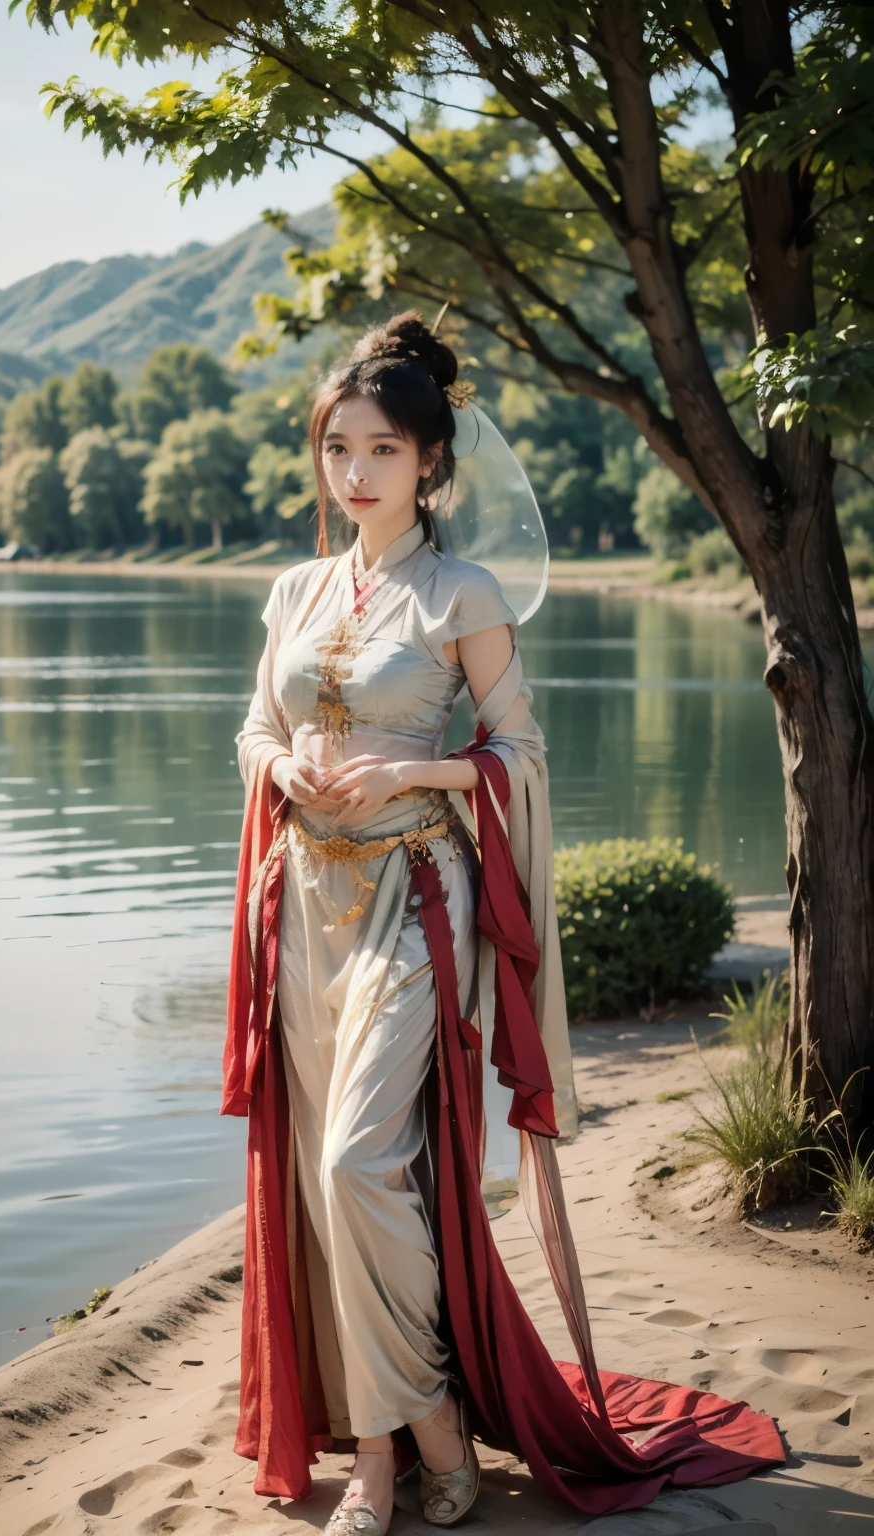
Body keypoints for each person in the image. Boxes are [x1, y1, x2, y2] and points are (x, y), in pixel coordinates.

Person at [222, 313, 783, 1535]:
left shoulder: (460, 591)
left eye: (380, 449)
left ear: (430, 461)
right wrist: (283, 773)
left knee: (356, 1164)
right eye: (337, 448)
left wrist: (408, 775)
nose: (353, 471)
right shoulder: (295, 587)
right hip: (303, 907)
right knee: (328, 1190)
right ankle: (379, 1452)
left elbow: (518, 751)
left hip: (415, 902)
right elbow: (255, 730)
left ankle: (423, 1418)